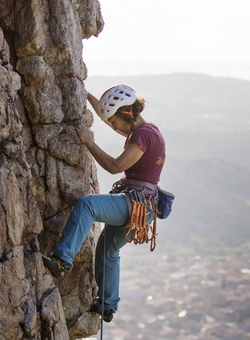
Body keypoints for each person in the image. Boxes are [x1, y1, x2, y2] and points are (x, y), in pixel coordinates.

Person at [42, 84, 166, 323]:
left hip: (135, 204)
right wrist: (84, 92)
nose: (113, 126)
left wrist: (88, 143)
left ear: (127, 114)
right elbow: (107, 116)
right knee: (108, 248)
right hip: (143, 207)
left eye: (114, 121)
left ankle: (61, 260)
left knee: (88, 205)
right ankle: (107, 305)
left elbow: (115, 166)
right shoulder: (144, 130)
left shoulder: (143, 135)